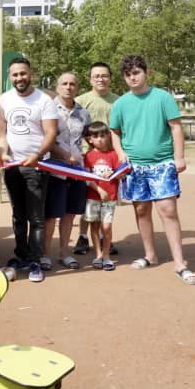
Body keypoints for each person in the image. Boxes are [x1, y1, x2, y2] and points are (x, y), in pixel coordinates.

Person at [110, 55, 195, 285]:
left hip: (162, 163)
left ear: (145, 73)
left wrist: (179, 157)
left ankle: (180, 262)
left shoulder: (162, 98)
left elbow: (176, 128)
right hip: (135, 167)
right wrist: (121, 154)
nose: (133, 77)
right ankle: (150, 255)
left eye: (136, 72)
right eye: (128, 74)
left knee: (167, 209)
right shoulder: (120, 103)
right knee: (141, 210)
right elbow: (115, 132)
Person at [0, 57, 58, 283]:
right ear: (10, 77)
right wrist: (3, 153)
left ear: (31, 74)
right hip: (13, 167)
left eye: (23, 73)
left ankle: (35, 260)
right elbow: (0, 133)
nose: (19, 78)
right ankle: (20, 256)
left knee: (36, 218)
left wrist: (37, 156)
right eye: (15, 75)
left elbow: (50, 132)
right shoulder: (4, 100)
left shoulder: (45, 100)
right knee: (18, 216)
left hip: (37, 166)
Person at [43, 73, 90, 271]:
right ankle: (45, 255)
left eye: (72, 84)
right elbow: (47, 139)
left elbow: (88, 138)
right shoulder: (48, 109)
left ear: (77, 88)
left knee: (70, 214)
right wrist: (63, 155)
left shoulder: (83, 113)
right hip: (55, 169)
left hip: (77, 171)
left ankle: (64, 252)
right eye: (64, 83)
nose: (68, 87)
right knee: (51, 215)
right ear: (57, 86)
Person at [74, 62, 119, 255]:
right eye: (96, 76)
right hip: (87, 159)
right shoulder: (81, 100)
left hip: (109, 158)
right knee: (89, 200)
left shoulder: (118, 101)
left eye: (104, 75)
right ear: (90, 79)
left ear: (110, 77)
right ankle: (83, 237)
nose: (100, 79)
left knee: (107, 199)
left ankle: (104, 237)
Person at [83, 122, 120, 271]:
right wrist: (99, 189)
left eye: (103, 135)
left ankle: (106, 256)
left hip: (109, 198)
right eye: (96, 136)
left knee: (106, 227)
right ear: (90, 139)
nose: (100, 139)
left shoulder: (114, 154)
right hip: (93, 197)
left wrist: (115, 174)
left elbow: (121, 173)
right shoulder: (88, 156)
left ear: (108, 137)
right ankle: (98, 254)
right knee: (95, 225)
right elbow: (87, 178)